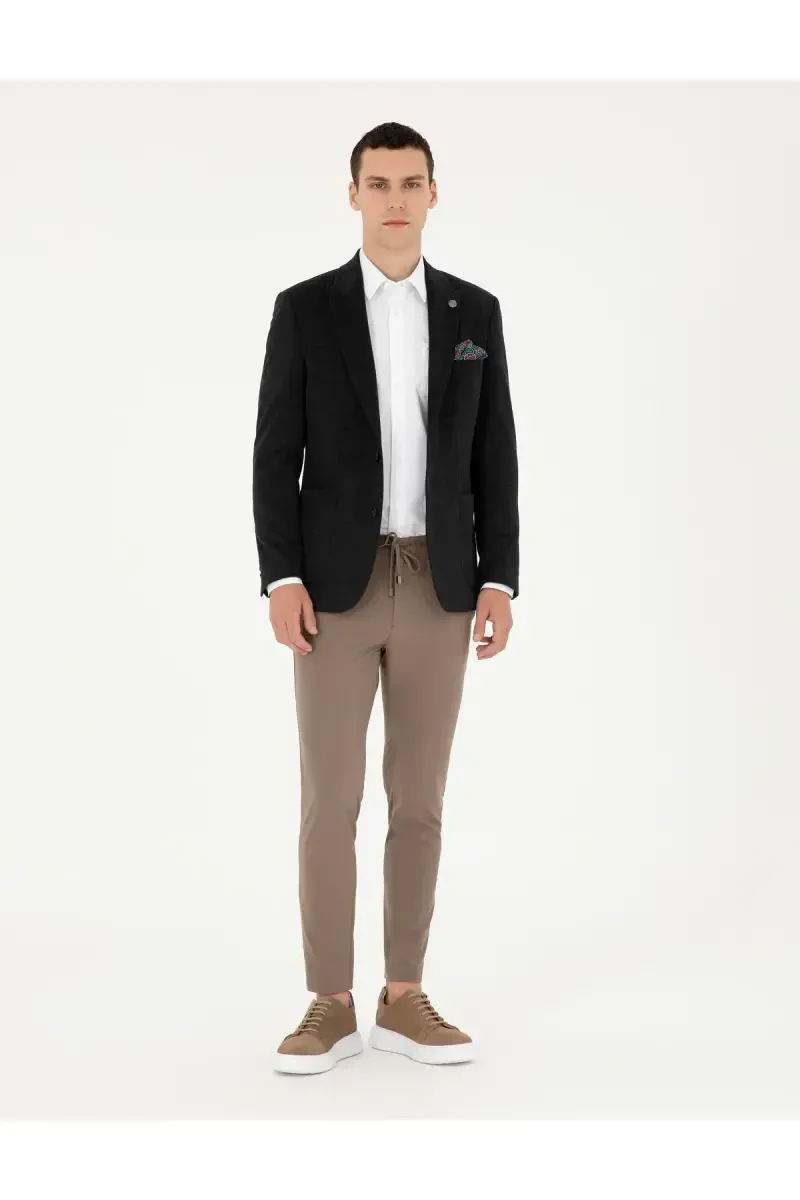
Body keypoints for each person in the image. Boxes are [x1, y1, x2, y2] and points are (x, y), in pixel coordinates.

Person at [252, 122, 519, 1074]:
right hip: (334, 588)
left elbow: (496, 453)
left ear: (434, 194)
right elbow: (274, 453)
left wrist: (498, 577)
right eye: (379, 183)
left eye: (411, 183)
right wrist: (281, 575)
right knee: (330, 800)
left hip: (440, 584)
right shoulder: (305, 309)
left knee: (420, 800)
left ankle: (404, 997)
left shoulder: (474, 312)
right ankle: (328, 1002)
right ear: (354, 194)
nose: (395, 199)